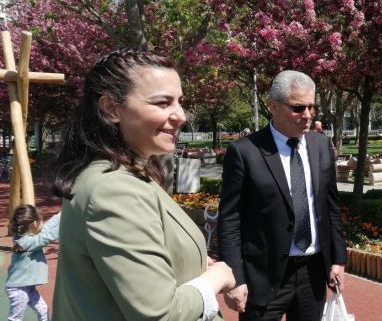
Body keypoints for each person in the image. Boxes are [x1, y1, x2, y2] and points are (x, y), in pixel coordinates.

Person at [49, 49, 235, 320]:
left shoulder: (127, 173)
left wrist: (192, 263)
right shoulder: (114, 190)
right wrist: (216, 278)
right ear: (111, 108)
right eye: (162, 103)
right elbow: (161, 314)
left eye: (179, 102)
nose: (180, 115)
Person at [218, 70, 347, 320]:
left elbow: (331, 207)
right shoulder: (244, 152)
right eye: (298, 108)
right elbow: (230, 219)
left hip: (313, 274)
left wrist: (338, 259)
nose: (307, 115)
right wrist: (235, 277)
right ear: (273, 107)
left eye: (311, 107)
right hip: (262, 277)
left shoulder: (321, 146)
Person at [6, 205, 60, 321]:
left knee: (43, 310)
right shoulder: (26, 242)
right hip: (18, 289)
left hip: (27, 287)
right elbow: (46, 237)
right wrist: (66, 224)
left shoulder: (27, 237)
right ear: (34, 224)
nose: (43, 224)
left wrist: (62, 215)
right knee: (15, 318)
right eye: (41, 221)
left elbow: (46, 229)